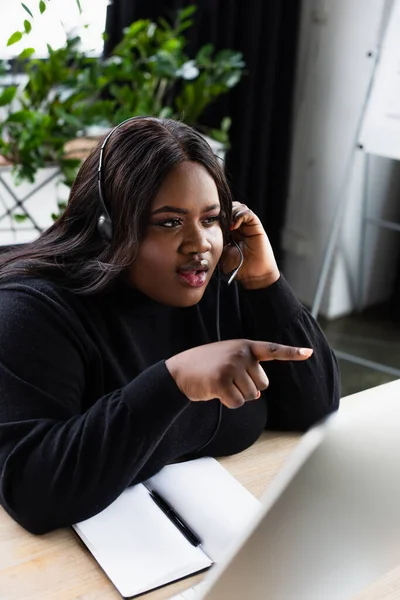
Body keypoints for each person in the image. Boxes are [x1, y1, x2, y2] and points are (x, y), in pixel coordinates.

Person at [0, 117, 339, 535]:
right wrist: (173, 381)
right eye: (170, 222)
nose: (200, 245)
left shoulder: (216, 279)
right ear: (109, 227)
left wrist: (264, 281)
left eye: (211, 219)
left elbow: (315, 407)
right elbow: (32, 493)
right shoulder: (33, 311)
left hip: (214, 531)